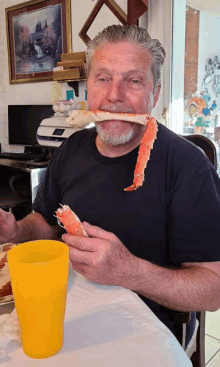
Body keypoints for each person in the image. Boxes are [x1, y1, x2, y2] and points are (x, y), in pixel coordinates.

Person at [1, 25, 220, 348]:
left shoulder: (189, 167)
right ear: (88, 86)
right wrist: (16, 231)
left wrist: (129, 271)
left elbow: (213, 290)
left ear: (155, 93)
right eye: (103, 78)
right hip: (65, 307)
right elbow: (44, 222)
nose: (114, 96)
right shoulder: (71, 147)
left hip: (146, 331)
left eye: (133, 81)